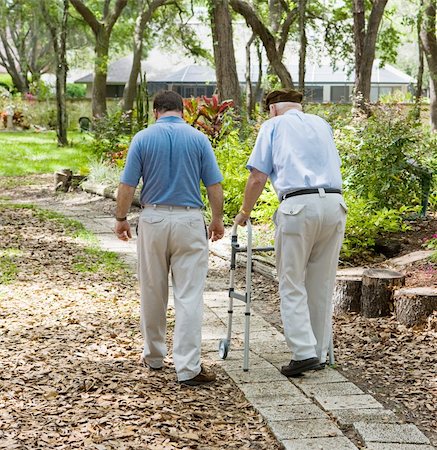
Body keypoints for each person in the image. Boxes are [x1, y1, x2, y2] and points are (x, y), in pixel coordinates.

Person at [114, 90, 224, 386]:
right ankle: (188, 368)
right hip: (189, 220)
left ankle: (154, 356)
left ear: (155, 112)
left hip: (153, 218)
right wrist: (217, 219)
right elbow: (214, 184)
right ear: (182, 112)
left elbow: (127, 184)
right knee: (189, 295)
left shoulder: (143, 138)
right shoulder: (199, 139)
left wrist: (121, 218)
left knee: (153, 289)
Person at [234, 88, 347, 377]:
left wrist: (245, 212)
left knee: (291, 280)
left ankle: (303, 352)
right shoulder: (322, 124)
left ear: (272, 109)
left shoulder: (272, 126)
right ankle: (319, 352)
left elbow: (258, 175)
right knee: (321, 282)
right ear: (298, 106)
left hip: (298, 206)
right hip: (334, 204)